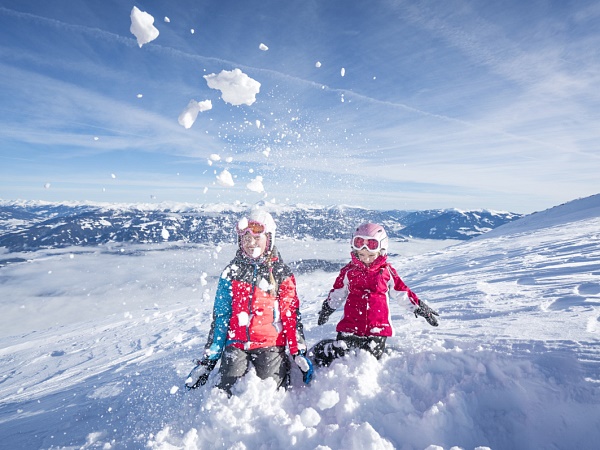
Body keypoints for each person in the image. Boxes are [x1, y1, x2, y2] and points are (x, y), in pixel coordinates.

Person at [185, 208, 313, 394]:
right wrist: (208, 361)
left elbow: (290, 314)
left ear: (269, 239)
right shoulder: (232, 271)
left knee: (271, 389)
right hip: (237, 342)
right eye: (246, 239)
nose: (251, 243)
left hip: (269, 343)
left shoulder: (279, 272)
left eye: (257, 238)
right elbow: (221, 316)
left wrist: (297, 351)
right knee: (226, 387)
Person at [311, 222, 439, 367]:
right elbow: (338, 293)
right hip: (350, 325)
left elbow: (402, 293)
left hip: (377, 328)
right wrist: (327, 308)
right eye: (361, 254)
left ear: (381, 251)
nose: (366, 259)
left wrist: (419, 308)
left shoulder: (386, 272)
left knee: (370, 358)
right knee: (341, 356)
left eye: (371, 255)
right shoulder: (348, 271)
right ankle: (324, 348)